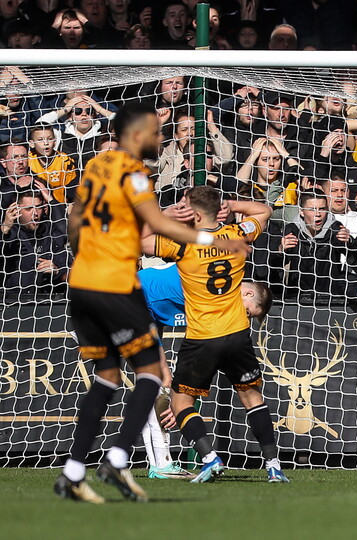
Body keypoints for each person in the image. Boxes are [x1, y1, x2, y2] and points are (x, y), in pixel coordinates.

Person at [55, 102, 247, 504]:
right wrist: (216, 240)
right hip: (114, 283)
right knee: (152, 373)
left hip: (82, 282)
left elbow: (75, 217)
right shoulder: (136, 173)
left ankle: (72, 473)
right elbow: (157, 227)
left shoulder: (95, 165)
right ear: (139, 134)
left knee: (107, 376)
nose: (161, 139)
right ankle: (118, 460)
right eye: (158, 132)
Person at [144, 185, 287, 483]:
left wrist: (165, 214)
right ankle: (273, 465)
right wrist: (233, 203)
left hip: (202, 335)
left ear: (193, 214)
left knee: (180, 403)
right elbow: (265, 210)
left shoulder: (183, 244)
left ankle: (209, 458)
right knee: (252, 397)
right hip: (236, 333)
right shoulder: (237, 234)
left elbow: (139, 241)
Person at [135, 263, 273, 480]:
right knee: (158, 379)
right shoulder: (215, 291)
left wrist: (181, 398)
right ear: (246, 292)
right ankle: (160, 464)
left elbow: (201, 355)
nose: (244, 317)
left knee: (158, 382)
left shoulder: (220, 292)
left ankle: (160, 463)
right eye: (247, 311)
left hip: (141, 305)